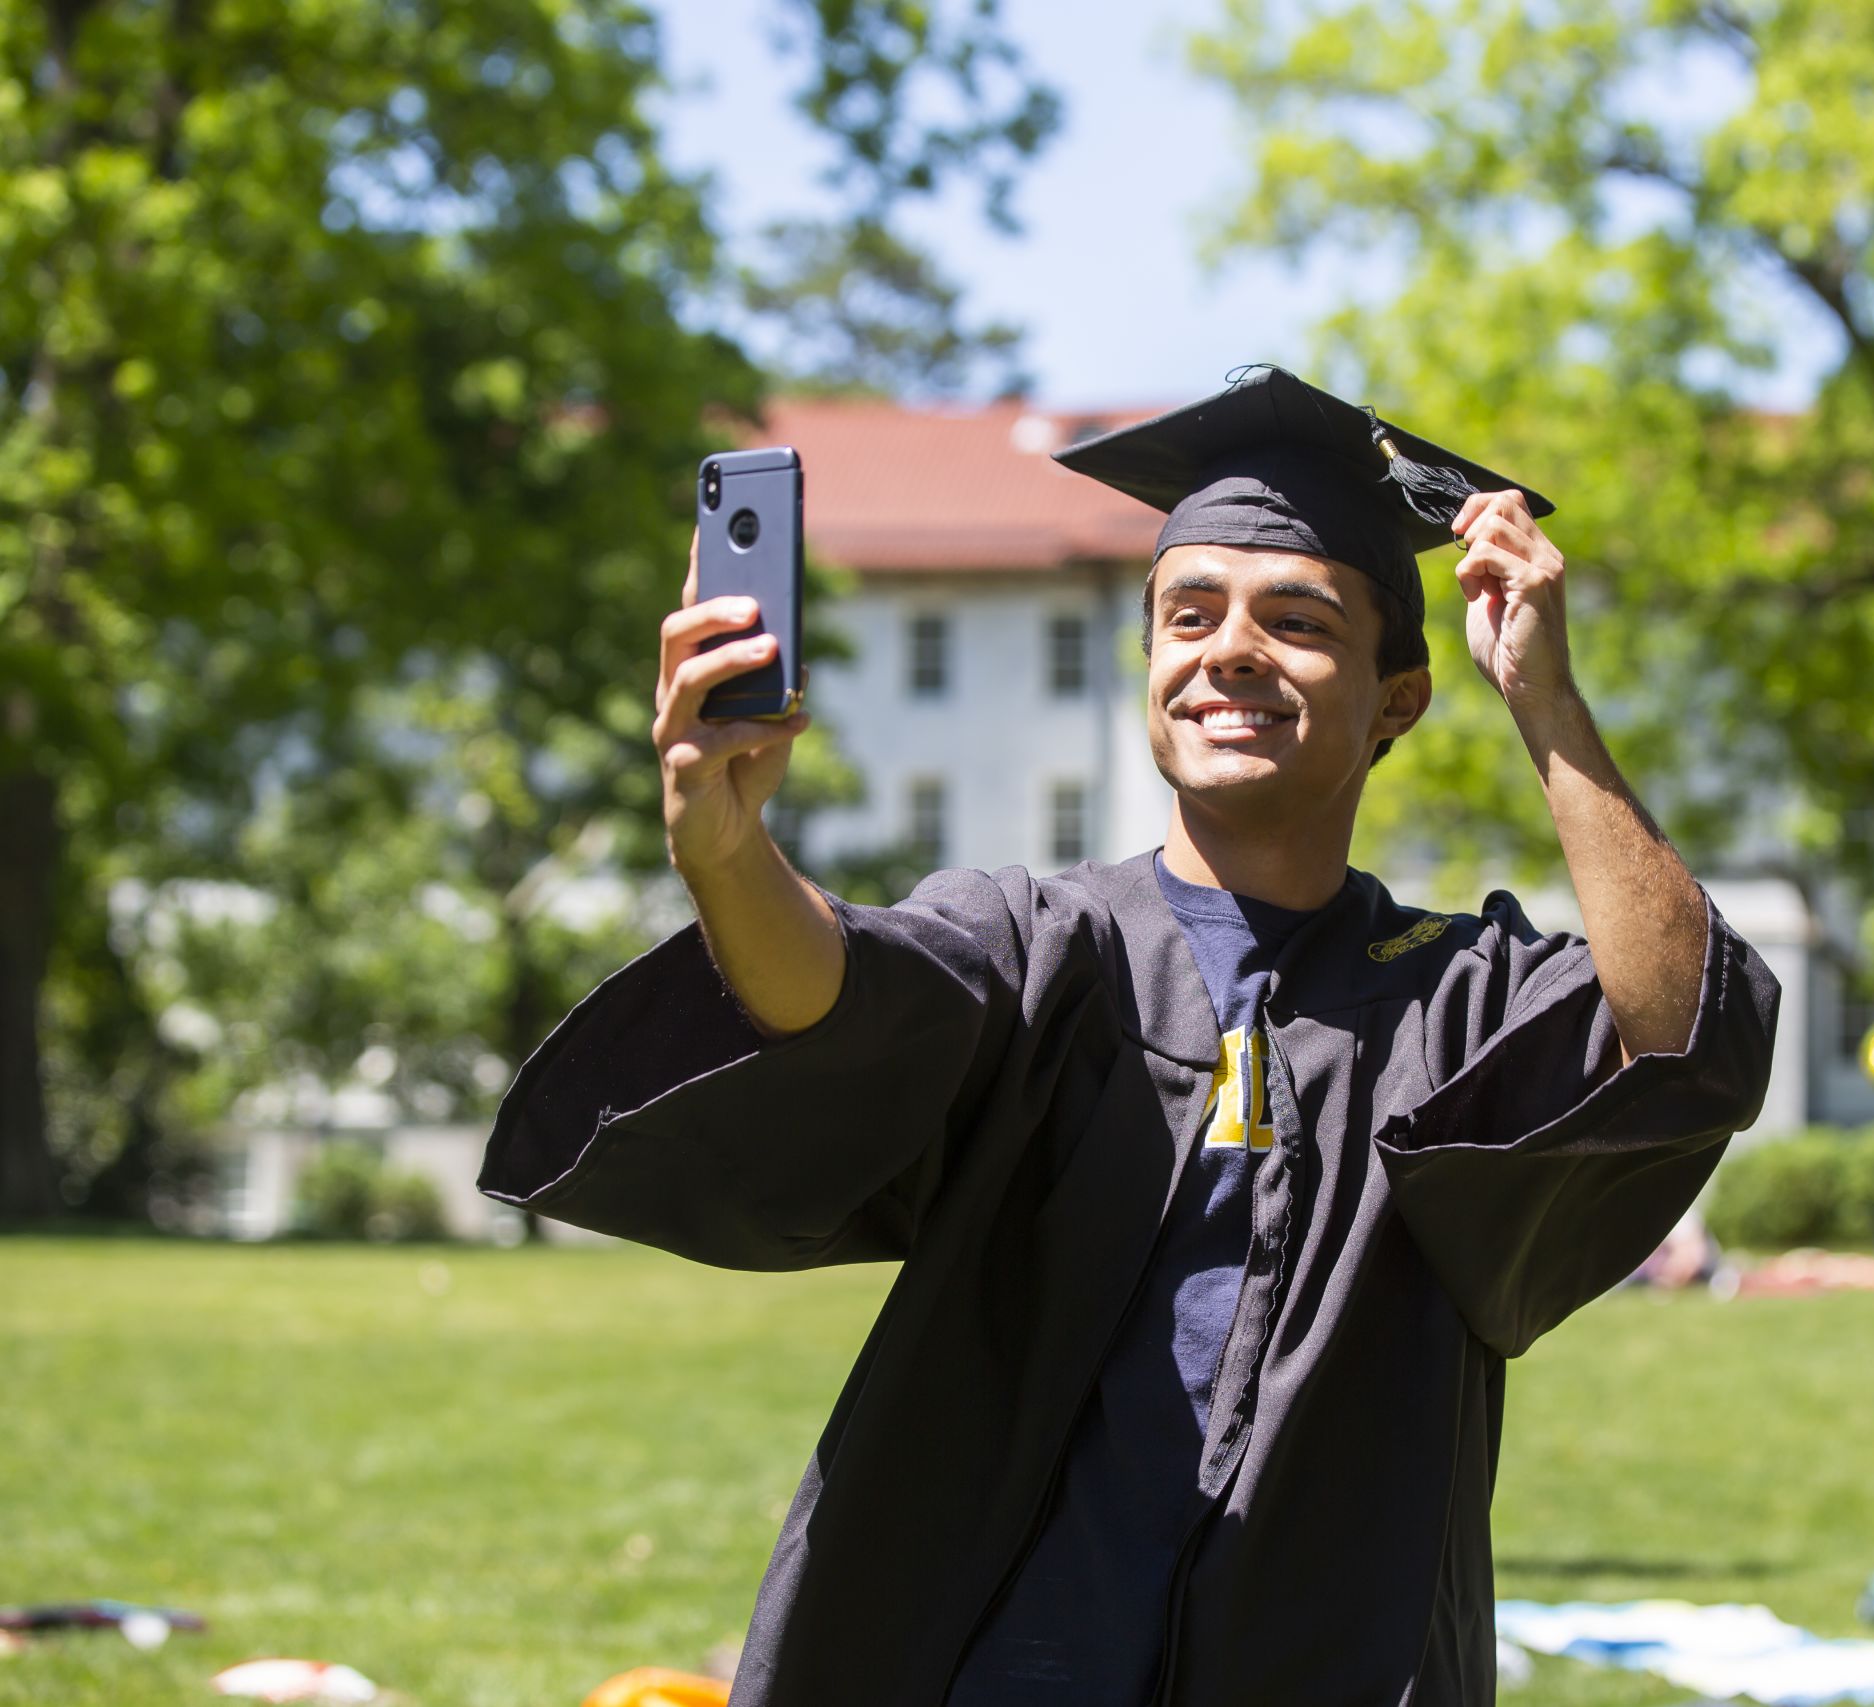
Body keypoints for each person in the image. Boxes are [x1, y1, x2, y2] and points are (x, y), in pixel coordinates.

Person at [479, 365, 1780, 1706]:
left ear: (1397, 696)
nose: (1229, 649)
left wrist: (1547, 704)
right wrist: (729, 849)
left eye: (1298, 618)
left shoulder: (1450, 993)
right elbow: (841, 990)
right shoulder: (1042, 941)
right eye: (1188, 613)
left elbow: (1682, 1033)